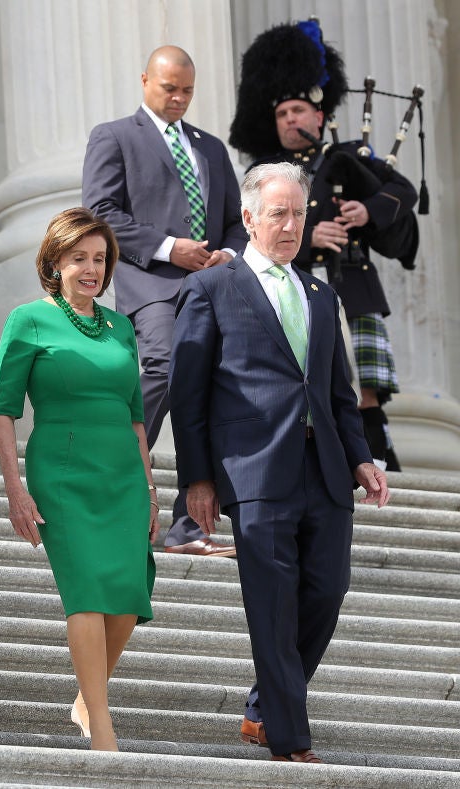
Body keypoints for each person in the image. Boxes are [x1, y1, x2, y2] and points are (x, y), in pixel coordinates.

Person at [169, 162, 390, 763]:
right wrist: (197, 478)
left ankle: (266, 706)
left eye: (299, 214)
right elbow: (187, 395)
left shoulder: (320, 293)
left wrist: (361, 457)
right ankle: (289, 737)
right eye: (278, 214)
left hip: (323, 471)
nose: (291, 226)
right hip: (252, 470)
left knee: (328, 588)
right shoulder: (213, 287)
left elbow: (337, 391)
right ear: (247, 217)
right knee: (272, 601)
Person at [0, 208, 157, 751]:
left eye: (100, 259)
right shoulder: (28, 320)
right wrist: (15, 488)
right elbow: (5, 412)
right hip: (62, 470)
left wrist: (151, 489)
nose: (91, 269)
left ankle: (89, 697)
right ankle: (102, 731)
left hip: (123, 474)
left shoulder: (122, 326)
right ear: (54, 262)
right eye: (79, 258)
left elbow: (136, 416)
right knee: (86, 595)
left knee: (128, 599)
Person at [229, 19, 420, 471]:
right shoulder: (264, 173)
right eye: (281, 114)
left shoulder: (348, 156)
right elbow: (249, 230)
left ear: (319, 114)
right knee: (310, 375)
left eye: (297, 110)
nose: (290, 119)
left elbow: (404, 192)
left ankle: (383, 459)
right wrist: (309, 236)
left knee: (364, 383)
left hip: (351, 282)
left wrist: (367, 210)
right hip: (297, 283)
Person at [83, 45, 247, 558]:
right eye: (168, 88)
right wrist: (168, 248)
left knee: (217, 394)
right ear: (144, 81)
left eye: (187, 91)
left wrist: (228, 255)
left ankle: (188, 525)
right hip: (152, 285)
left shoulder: (212, 148)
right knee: (159, 367)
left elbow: (237, 225)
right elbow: (100, 210)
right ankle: (107, 487)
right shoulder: (113, 136)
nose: (178, 98)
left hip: (212, 287)